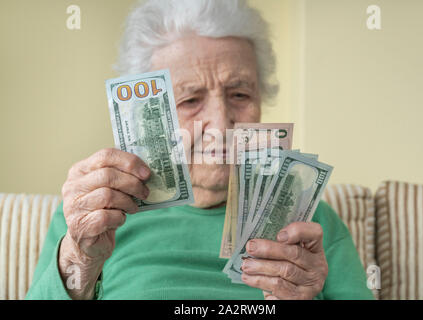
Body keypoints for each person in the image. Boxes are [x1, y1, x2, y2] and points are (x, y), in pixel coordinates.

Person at [26, 0, 374, 300]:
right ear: (150, 113)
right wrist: (80, 263)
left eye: (240, 95)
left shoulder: (312, 220)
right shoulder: (97, 214)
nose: (221, 126)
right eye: (190, 100)